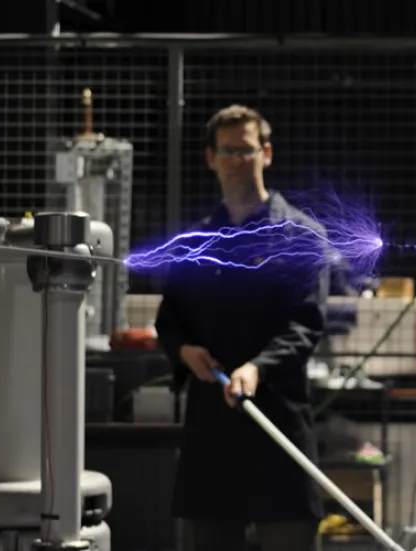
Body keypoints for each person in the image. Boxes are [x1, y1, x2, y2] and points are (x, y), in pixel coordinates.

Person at [154, 104, 327, 551]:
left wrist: (258, 367)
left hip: (277, 422)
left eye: (246, 150)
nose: (237, 161)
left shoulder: (298, 237)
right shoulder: (195, 243)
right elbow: (170, 321)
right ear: (210, 158)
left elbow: (306, 324)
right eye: (227, 151)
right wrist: (183, 352)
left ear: (266, 153)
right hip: (212, 432)